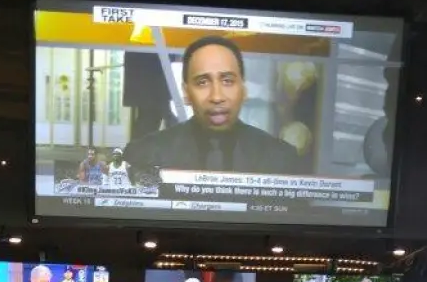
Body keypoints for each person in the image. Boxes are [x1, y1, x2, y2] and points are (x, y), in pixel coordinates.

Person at [122, 36, 304, 177]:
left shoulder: (282, 158)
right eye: (202, 82)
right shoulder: (142, 155)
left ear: (244, 90)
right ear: (186, 93)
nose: (217, 97)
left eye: (227, 81)